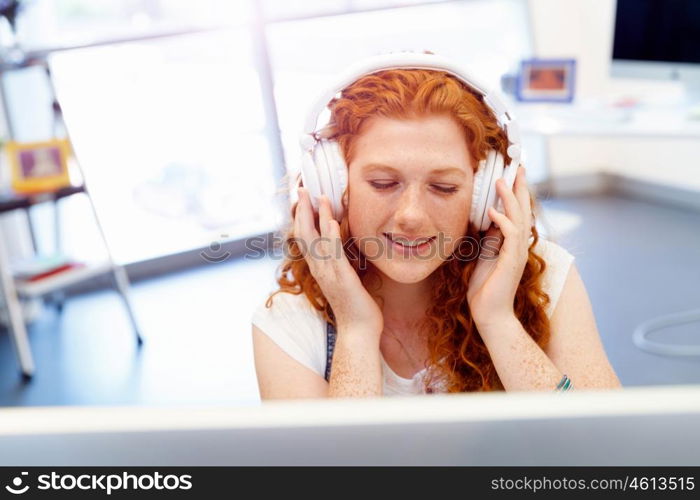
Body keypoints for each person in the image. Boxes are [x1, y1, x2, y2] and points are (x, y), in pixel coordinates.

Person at [252, 53, 621, 399]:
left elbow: (608, 452)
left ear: (484, 195)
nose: (411, 216)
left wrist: (498, 321)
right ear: (334, 186)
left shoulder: (547, 278)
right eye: (383, 183)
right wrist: (356, 331)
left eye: (443, 187)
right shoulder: (289, 323)